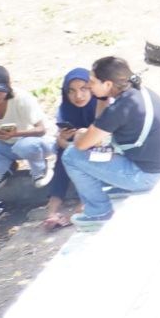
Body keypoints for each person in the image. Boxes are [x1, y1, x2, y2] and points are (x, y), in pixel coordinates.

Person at [59, 56, 160, 227]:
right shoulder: (141, 92)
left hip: (152, 176)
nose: (89, 86)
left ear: (108, 85)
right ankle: (119, 185)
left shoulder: (119, 110)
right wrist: (102, 98)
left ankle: (99, 212)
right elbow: (100, 124)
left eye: (92, 81)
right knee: (102, 147)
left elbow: (83, 144)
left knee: (71, 156)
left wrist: (79, 135)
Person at [41, 67, 99, 228]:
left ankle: (83, 205)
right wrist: (62, 139)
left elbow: (101, 140)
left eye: (83, 89)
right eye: (71, 91)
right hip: (74, 148)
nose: (78, 96)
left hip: (99, 151)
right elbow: (63, 141)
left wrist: (69, 145)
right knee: (63, 156)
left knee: (81, 156)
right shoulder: (65, 109)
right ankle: (52, 210)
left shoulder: (101, 105)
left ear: (92, 88)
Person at [0, 65, 53, 190]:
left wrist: (15, 134)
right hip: (7, 146)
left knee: (25, 146)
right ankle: (5, 168)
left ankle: (40, 170)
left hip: (36, 144)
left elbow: (41, 130)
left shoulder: (22, 99)